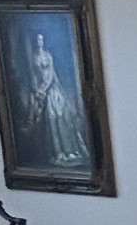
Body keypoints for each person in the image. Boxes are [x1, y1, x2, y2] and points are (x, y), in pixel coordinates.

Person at [25, 29, 90, 164]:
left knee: (61, 116)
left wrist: (44, 89)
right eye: (38, 40)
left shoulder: (48, 55)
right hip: (42, 90)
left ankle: (69, 151)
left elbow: (51, 74)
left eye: (41, 39)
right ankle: (58, 152)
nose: (40, 42)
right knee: (50, 120)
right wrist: (38, 90)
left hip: (52, 89)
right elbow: (35, 77)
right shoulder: (33, 57)